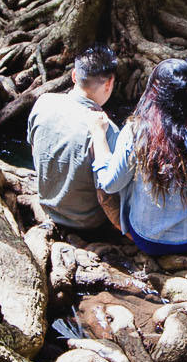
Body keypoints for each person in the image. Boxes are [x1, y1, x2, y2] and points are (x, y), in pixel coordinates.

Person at [95, 57, 187, 256]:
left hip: (149, 241)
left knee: (123, 174)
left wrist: (99, 136)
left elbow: (110, 185)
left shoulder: (135, 132)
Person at [27, 45, 122, 235]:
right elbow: (108, 190)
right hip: (87, 222)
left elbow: (34, 148)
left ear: (73, 76)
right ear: (109, 84)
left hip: (48, 208)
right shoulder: (107, 129)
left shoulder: (43, 102)